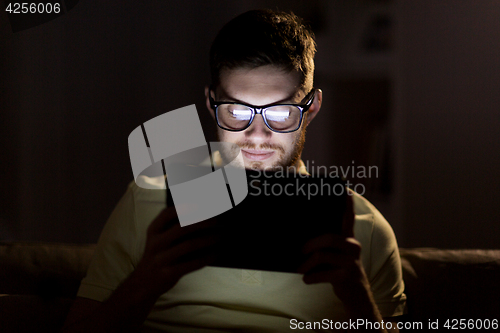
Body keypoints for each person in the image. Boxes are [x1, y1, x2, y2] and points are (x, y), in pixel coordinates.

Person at [62, 9, 406, 333]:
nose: (257, 135)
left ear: (311, 107)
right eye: (238, 112)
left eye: (281, 112)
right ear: (212, 105)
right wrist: (146, 282)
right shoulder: (149, 200)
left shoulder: (367, 229)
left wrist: (358, 299)